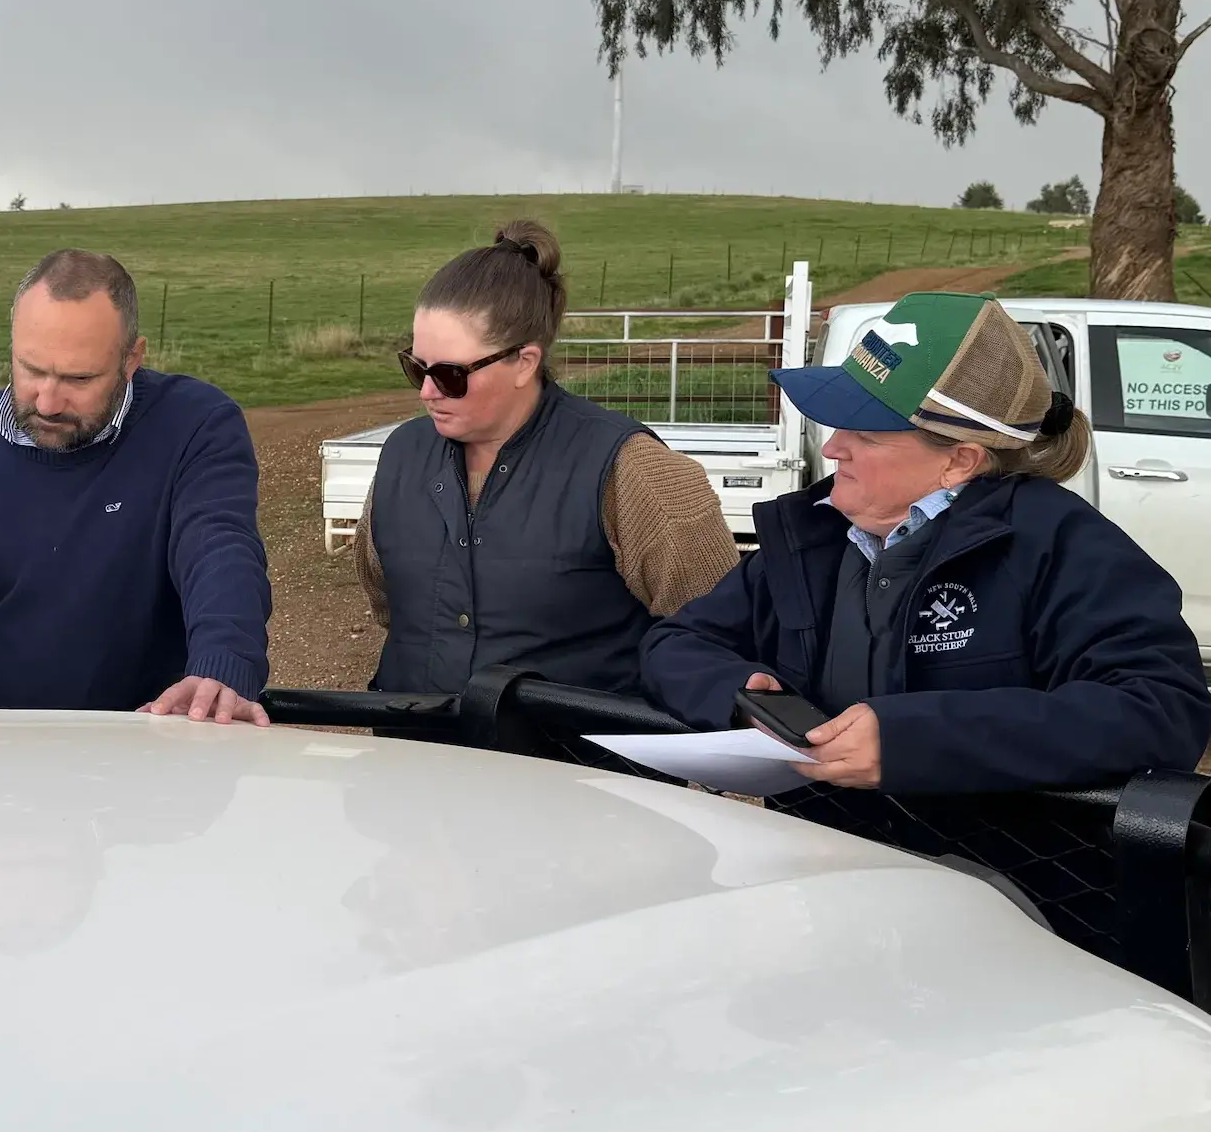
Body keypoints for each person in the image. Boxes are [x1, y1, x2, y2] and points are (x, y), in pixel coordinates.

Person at [641, 291, 1211, 792]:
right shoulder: (813, 536)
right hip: (830, 870)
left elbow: (1161, 709)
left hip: (1008, 888)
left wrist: (914, 742)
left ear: (959, 462)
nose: (833, 447)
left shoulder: (1061, 544)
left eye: (864, 433)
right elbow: (676, 642)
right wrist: (738, 694)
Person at [355, 218, 739, 695]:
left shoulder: (632, 469)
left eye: (451, 375)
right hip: (416, 761)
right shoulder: (401, 456)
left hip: (572, 767)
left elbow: (718, 632)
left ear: (525, 362)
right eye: (416, 368)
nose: (428, 392)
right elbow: (390, 604)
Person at [0, 248, 273, 722]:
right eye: (30, 369)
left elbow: (220, 549)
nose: (46, 402)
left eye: (78, 378)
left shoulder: (197, 425)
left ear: (132, 359)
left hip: (148, 747)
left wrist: (223, 669)